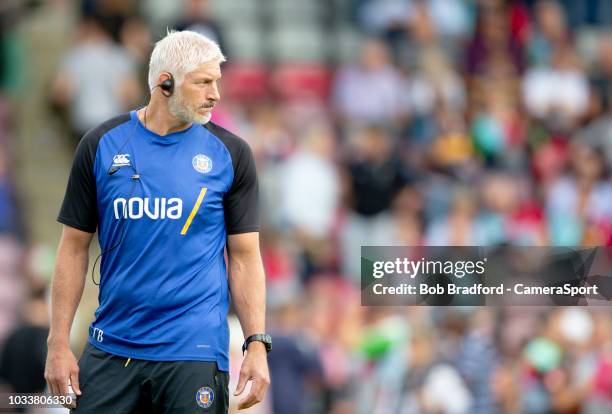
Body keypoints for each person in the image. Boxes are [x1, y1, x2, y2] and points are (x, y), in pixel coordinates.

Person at [44, 30, 271, 413]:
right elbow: (73, 247)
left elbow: (246, 257)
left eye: (217, 81)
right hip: (112, 346)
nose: (215, 94)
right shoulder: (101, 145)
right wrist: (58, 343)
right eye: (203, 82)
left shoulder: (231, 154)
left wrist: (256, 344)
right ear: (164, 83)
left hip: (194, 351)